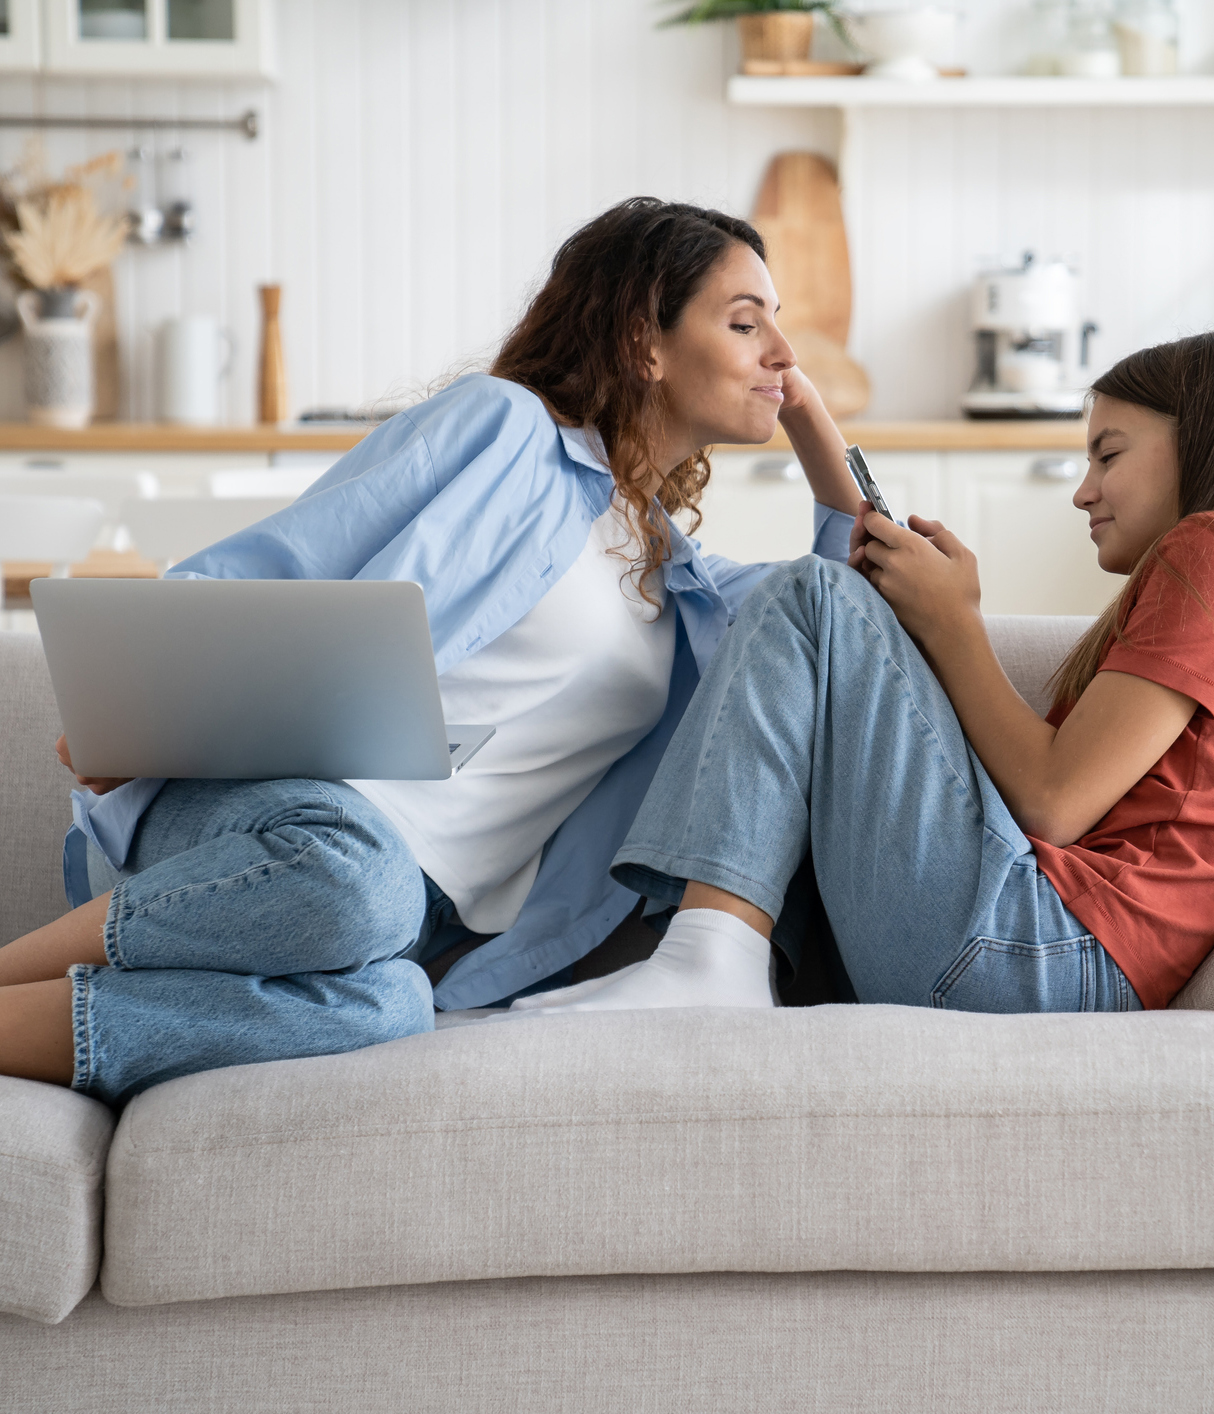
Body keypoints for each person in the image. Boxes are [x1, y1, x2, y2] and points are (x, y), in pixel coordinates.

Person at [0, 197, 861, 1104]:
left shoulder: (687, 590)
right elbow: (291, 557)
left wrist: (812, 425)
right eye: (744, 321)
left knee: (391, 1010)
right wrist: (144, 703)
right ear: (646, 341)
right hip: (276, 819)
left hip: (415, 922)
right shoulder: (506, 430)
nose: (782, 350)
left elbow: (847, 600)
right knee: (359, 879)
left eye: (780, 326)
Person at [516, 330, 1214, 1017]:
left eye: (1109, 453)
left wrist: (955, 628)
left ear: (1209, 441)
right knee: (829, 624)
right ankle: (691, 956)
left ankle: (705, 960)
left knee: (814, 599)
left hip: (1048, 957)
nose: (1082, 490)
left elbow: (1056, 802)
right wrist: (936, 627)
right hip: (1050, 953)